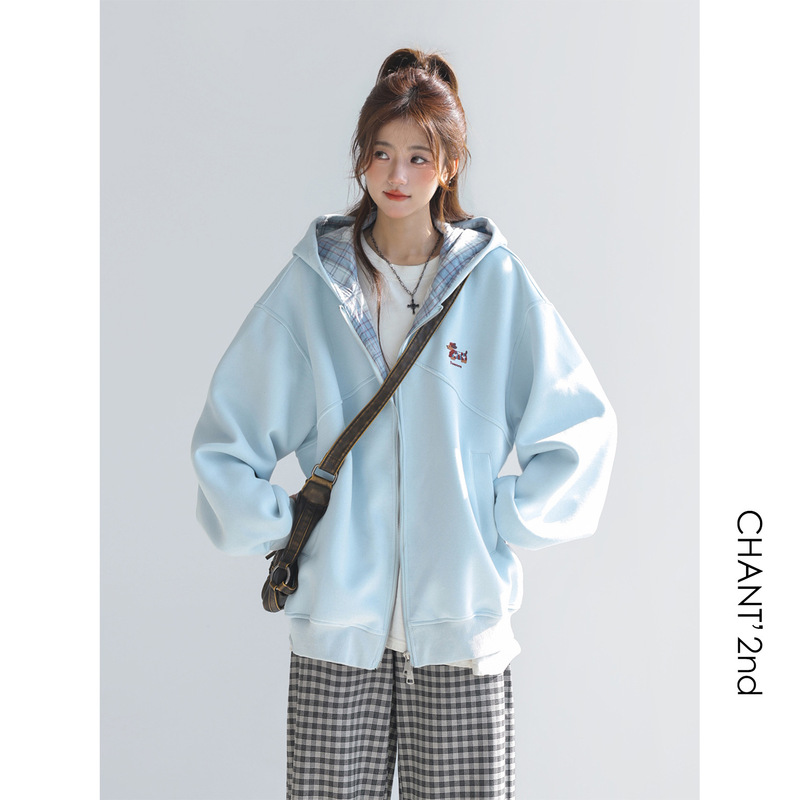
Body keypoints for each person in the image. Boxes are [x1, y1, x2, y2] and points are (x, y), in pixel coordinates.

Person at [191, 47, 617, 800]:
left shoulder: (494, 283)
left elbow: (582, 428)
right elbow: (227, 439)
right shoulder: (314, 285)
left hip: (460, 630)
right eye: (381, 152)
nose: (396, 174)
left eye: (419, 156)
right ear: (360, 158)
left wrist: (496, 516)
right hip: (337, 631)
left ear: (448, 166)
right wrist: (283, 529)